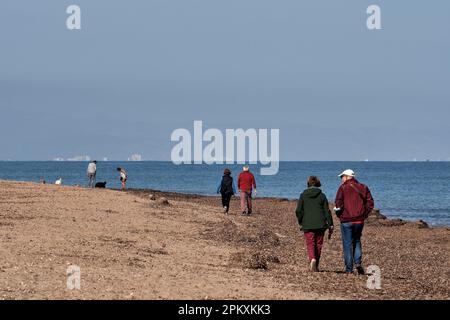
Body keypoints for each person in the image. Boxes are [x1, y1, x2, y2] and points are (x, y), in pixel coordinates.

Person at [334, 169, 374, 275]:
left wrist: (339, 214)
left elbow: (338, 204)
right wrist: (364, 215)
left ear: (347, 177)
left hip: (346, 220)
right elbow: (370, 203)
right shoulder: (363, 187)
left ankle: (349, 269)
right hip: (359, 220)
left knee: (347, 244)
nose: (341, 179)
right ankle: (357, 263)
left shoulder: (342, 188)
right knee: (356, 241)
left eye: (342, 177)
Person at [295, 176, 334, 272]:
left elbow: (298, 211)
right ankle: (316, 263)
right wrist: (331, 224)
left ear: (308, 184)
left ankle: (313, 259)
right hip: (321, 224)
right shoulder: (322, 196)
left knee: (310, 243)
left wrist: (301, 221)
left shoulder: (303, 195)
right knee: (319, 244)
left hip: (308, 224)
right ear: (318, 184)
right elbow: (327, 211)